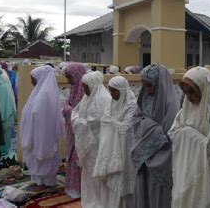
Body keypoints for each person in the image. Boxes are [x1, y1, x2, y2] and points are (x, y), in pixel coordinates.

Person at [169, 67, 210, 208]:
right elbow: (173, 132)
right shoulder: (186, 108)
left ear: (203, 88)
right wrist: (192, 135)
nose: (188, 97)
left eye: (192, 92)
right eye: (185, 92)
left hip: (209, 176)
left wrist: (189, 133)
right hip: (186, 172)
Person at [131, 65, 179, 208]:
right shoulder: (144, 99)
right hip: (144, 160)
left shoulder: (171, 106)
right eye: (144, 85)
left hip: (161, 160)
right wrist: (149, 126)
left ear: (160, 84)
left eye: (149, 85)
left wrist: (146, 126)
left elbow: (170, 134)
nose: (146, 89)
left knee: (157, 196)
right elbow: (135, 120)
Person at [93, 76, 137, 207]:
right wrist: (111, 122)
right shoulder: (111, 103)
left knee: (122, 181)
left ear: (122, 90)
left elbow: (126, 128)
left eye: (114, 91)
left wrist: (111, 121)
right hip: (109, 149)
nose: (111, 94)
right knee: (109, 182)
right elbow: (105, 120)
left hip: (125, 149)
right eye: (110, 90)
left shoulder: (132, 105)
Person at [71, 71, 110, 208]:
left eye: (86, 86)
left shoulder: (104, 99)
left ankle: (100, 203)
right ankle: (90, 201)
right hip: (88, 146)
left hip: (98, 145)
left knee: (98, 176)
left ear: (93, 85)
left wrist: (82, 122)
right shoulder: (87, 97)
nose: (84, 90)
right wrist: (79, 121)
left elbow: (99, 122)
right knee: (88, 174)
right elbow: (76, 112)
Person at [21, 65, 63, 186]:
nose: (31, 81)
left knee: (43, 158)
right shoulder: (39, 92)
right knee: (37, 159)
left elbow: (41, 115)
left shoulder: (45, 94)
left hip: (42, 135)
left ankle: (46, 183)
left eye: (33, 78)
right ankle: (39, 182)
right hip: (35, 133)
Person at [63, 63, 86, 198]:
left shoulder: (85, 90)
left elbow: (85, 113)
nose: (68, 81)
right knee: (72, 158)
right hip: (72, 131)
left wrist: (68, 110)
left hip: (81, 133)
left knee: (80, 159)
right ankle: (73, 187)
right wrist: (68, 108)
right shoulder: (74, 89)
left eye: (70, 77)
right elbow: (69, 104)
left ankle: (81, 188)